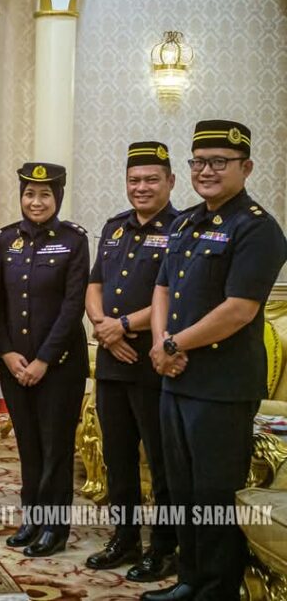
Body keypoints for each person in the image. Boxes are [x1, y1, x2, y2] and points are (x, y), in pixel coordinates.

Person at [145, 120, 287, 601]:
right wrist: (161, 343)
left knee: (214, 493)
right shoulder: (184, 222)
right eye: (199, 162)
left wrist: (173, 346)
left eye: (219, 162)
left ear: (246, 167)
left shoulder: (258, 228)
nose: (206, 171)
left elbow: (239, 310)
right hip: (175, 379)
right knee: (182, 486)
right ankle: (189, 578)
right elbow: (162, 287)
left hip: (222, 387)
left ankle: (216, 588)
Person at [84, 142, 178, 582]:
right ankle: (124, 538)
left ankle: (164, 546)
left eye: (151, 179)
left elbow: (175, 296)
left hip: (153, 364)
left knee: (160, 461)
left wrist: (121, 326)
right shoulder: (114, 227)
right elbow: (95, 285)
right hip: (112, 361)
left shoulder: (182, 228)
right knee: (117, 456)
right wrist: (103, 326)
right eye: (134, 180)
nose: (141, 187)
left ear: (170, 181)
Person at [0, 162, 89, 557]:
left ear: (58, 197)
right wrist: (6, 352)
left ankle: (54, 527)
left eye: (45, 194)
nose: (36, 201)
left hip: (59, 366)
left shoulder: (73, 241)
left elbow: (73, 306)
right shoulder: (5, 240)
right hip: (15, 365)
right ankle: (31, 517)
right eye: (29, 193)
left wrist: (44, 359)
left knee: (55, 447)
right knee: (28, 445)